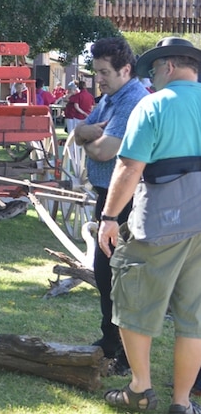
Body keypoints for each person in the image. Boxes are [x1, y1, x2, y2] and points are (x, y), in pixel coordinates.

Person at [98, 37, 201, 414]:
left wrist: (109, 218)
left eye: (154, 71)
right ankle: (182, 402)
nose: (152, 78)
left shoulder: (152, 105)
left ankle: (140, 388)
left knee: (132, 299)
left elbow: (129, 167)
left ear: (168, 67)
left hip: (162, 221)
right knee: (195, 319)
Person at [71, 36, 149, 375]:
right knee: (105, 276)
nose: (98, 79)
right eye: (96, 71)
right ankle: (109, 343)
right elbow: (81, 132)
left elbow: (102, 151)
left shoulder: (133, 101)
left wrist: (90, 139)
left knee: (122, 280)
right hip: (108, 196)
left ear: (126, 70)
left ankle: (126, 357)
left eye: (104, 72)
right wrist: (90, 134)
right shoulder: (109, 99)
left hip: (128, 202)